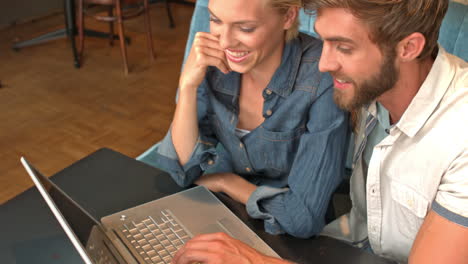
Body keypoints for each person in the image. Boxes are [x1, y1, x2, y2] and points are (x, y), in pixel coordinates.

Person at [170, 0, 468, 263]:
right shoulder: (370, 88)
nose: (323, 64)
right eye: (324, 41)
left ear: (408, 48)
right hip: (344, 246)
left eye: (344, 47)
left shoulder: (460, 132)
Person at [152, 0, 349, 238]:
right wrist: (187, 87)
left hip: (286, 237)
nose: (225, 42)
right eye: (215, 20)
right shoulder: (212, 61)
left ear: (288, 16)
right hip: (222, 213)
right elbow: (181, 172)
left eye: (245, 28)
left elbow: (302, 218)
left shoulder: (322, 77)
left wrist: (228, 182)